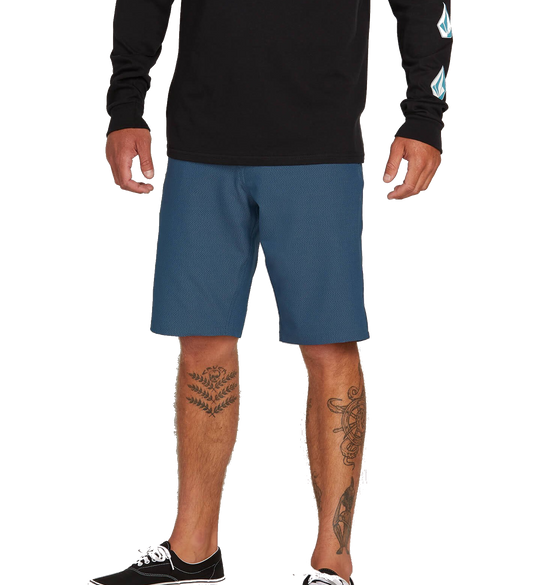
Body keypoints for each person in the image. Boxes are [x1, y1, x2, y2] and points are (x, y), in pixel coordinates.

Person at [91, 1, 454, 584]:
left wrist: (424, 118)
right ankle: (193, 550)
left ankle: (333, 558)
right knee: (201, 339)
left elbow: (424, 5)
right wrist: (125, 106)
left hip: (318, 142)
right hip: (202, 139)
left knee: (329, 343)